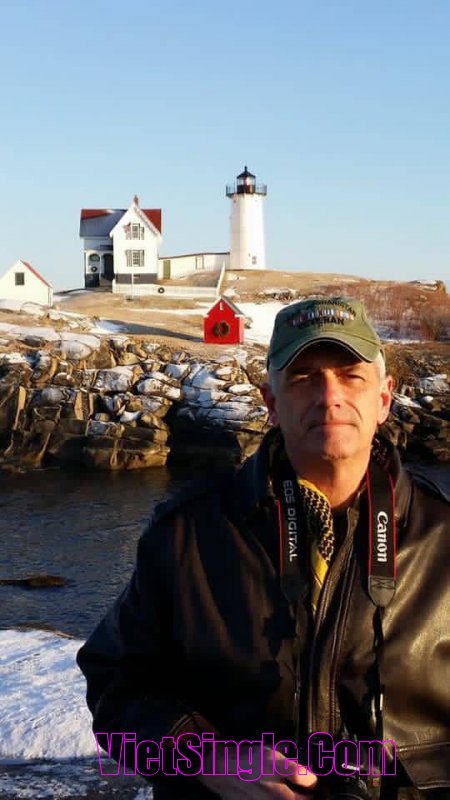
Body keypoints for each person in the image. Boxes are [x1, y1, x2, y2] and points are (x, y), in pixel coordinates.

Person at [77, 296, 450, 800]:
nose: (329, 396)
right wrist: (205, 758)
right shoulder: (187, 534)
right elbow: (115, 686)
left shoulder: (442, 536)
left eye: (351, 376)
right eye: (304, 378)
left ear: (383, 400)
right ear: (271, 403)